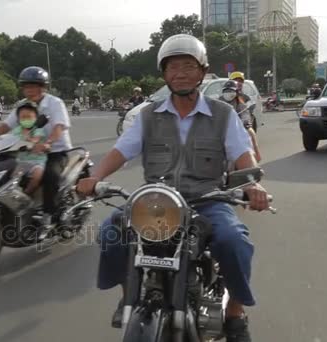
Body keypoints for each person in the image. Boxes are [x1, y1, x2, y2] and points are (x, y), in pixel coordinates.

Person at [76, 34, 270, 342]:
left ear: (202, 71)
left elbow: (243, 158)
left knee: (235, 241)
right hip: (157, 201)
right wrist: (93, 178)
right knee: (111, 232)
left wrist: (253, 186)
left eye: (188, 66)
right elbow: (121, 150)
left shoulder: (223, 115)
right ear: (164, 74)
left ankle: (235, 313)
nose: (180, 73)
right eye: (173, 67)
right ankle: (129, 294)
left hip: (207, 200)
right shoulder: (148, 115)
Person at [0, 66, 72, 236]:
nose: (30, 90)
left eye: (35, 86)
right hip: (28, 151)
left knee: (50, 176)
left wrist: (48, 143)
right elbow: (7, 126)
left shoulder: (55, 103)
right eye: (27, 87)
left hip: (55, 152)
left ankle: (48, 216)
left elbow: (59, 127)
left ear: (44, 87)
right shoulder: (22, 106)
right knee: (8, 171)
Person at [219, 80, 261, 162]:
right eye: (226, 91)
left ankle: (257, 156)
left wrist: (246, 123)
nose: (228, 93)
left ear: (236, 92)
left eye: (231, 91)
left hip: (237, 127)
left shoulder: (240, 103)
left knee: (250, 132)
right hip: (222, 128)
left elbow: (245, 114)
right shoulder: (219, 102)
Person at [11, 101, 47, 195]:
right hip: (21, 161)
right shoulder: (17, 130)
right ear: (18, 119)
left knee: (37, 175)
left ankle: (27, 193)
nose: (26, 119)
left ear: (36, 118)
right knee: (12, 175)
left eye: (29, 117)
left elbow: (36, 139)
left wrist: (29, 140)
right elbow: (9, 140)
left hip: (37, 162)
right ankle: (13, 194)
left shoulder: (38, 129)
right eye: (23, 117)